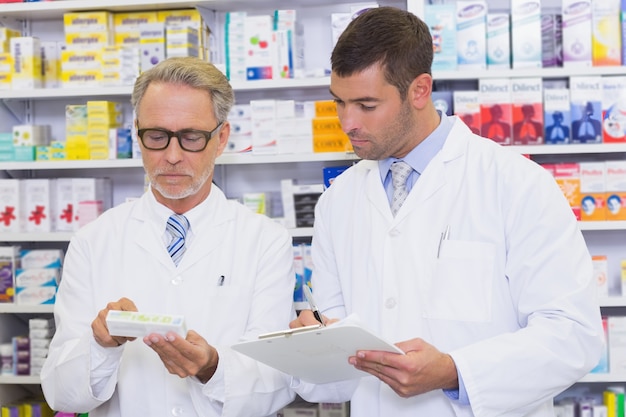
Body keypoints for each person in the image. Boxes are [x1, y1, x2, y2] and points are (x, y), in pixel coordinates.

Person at [291, 7, 604, 417]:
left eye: (366, 105)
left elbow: (573, 335)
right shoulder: (339, 200)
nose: (347, 123)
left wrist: (454, 371)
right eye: (339, 103)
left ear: (420, 90)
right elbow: (337, 369)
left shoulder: (515, 182)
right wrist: (312, 345)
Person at [40, 57, 297, 417]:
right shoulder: (93, 241)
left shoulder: (265, 241)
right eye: (157, 137)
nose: (172, 156)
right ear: (137, 134)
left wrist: (212, 368)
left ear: (221, 138)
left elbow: (279, 381)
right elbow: (61, 396)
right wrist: (101, 344)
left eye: (191, 137)